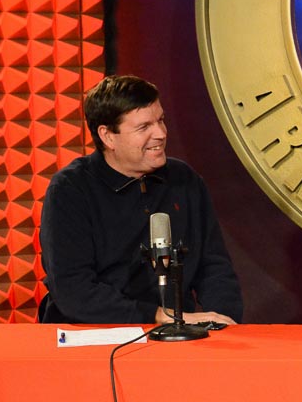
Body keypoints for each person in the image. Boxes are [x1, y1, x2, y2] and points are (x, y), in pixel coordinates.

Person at [40, 75, 242, 325]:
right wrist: (158, 316)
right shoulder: (70, 189)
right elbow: (74, 292)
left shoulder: (184, 180)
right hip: (92, 334)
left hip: (176, 334)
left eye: (161, 120)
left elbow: (214, 268)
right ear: (107, 136)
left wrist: (223, 322)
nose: (161, 134)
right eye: (144, 127)